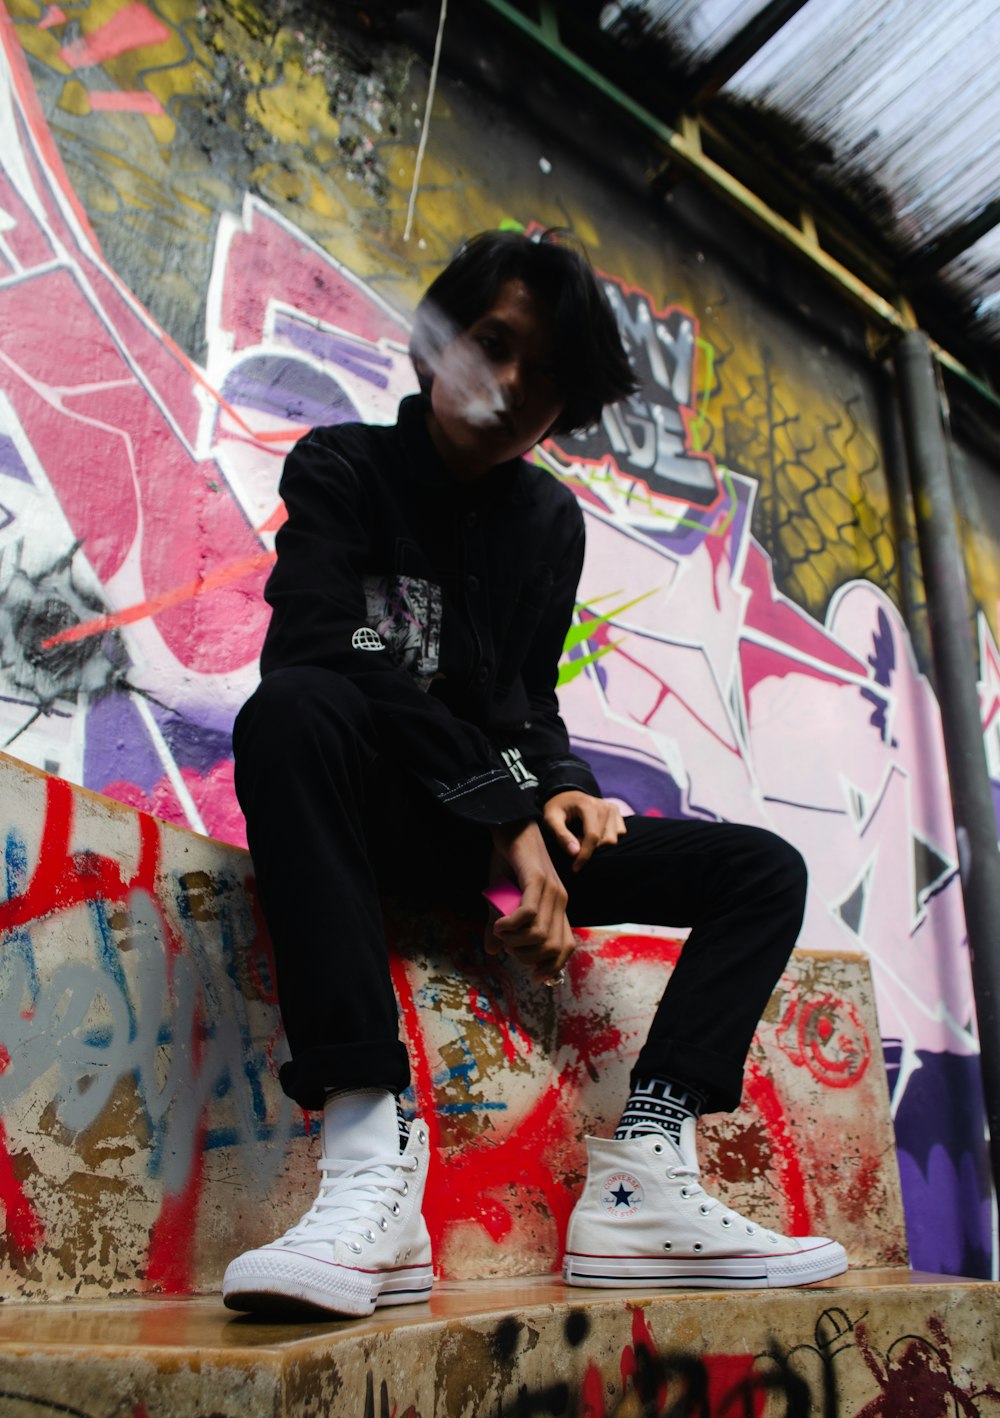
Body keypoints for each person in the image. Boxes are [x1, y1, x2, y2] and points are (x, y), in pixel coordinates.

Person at [222, 230, 847, 1318]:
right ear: (438, 342)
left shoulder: (548, 521)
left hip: (495, 847)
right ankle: (372, 1150)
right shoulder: (341, 467)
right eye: (494, 345)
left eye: (546, 376)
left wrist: (557, 786)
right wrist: (503, 807)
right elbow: (319, 645)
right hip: (374, 820)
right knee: (293, 711)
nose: (511, 387)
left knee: (760, 870)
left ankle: (643, 1169)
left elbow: (523, 701)